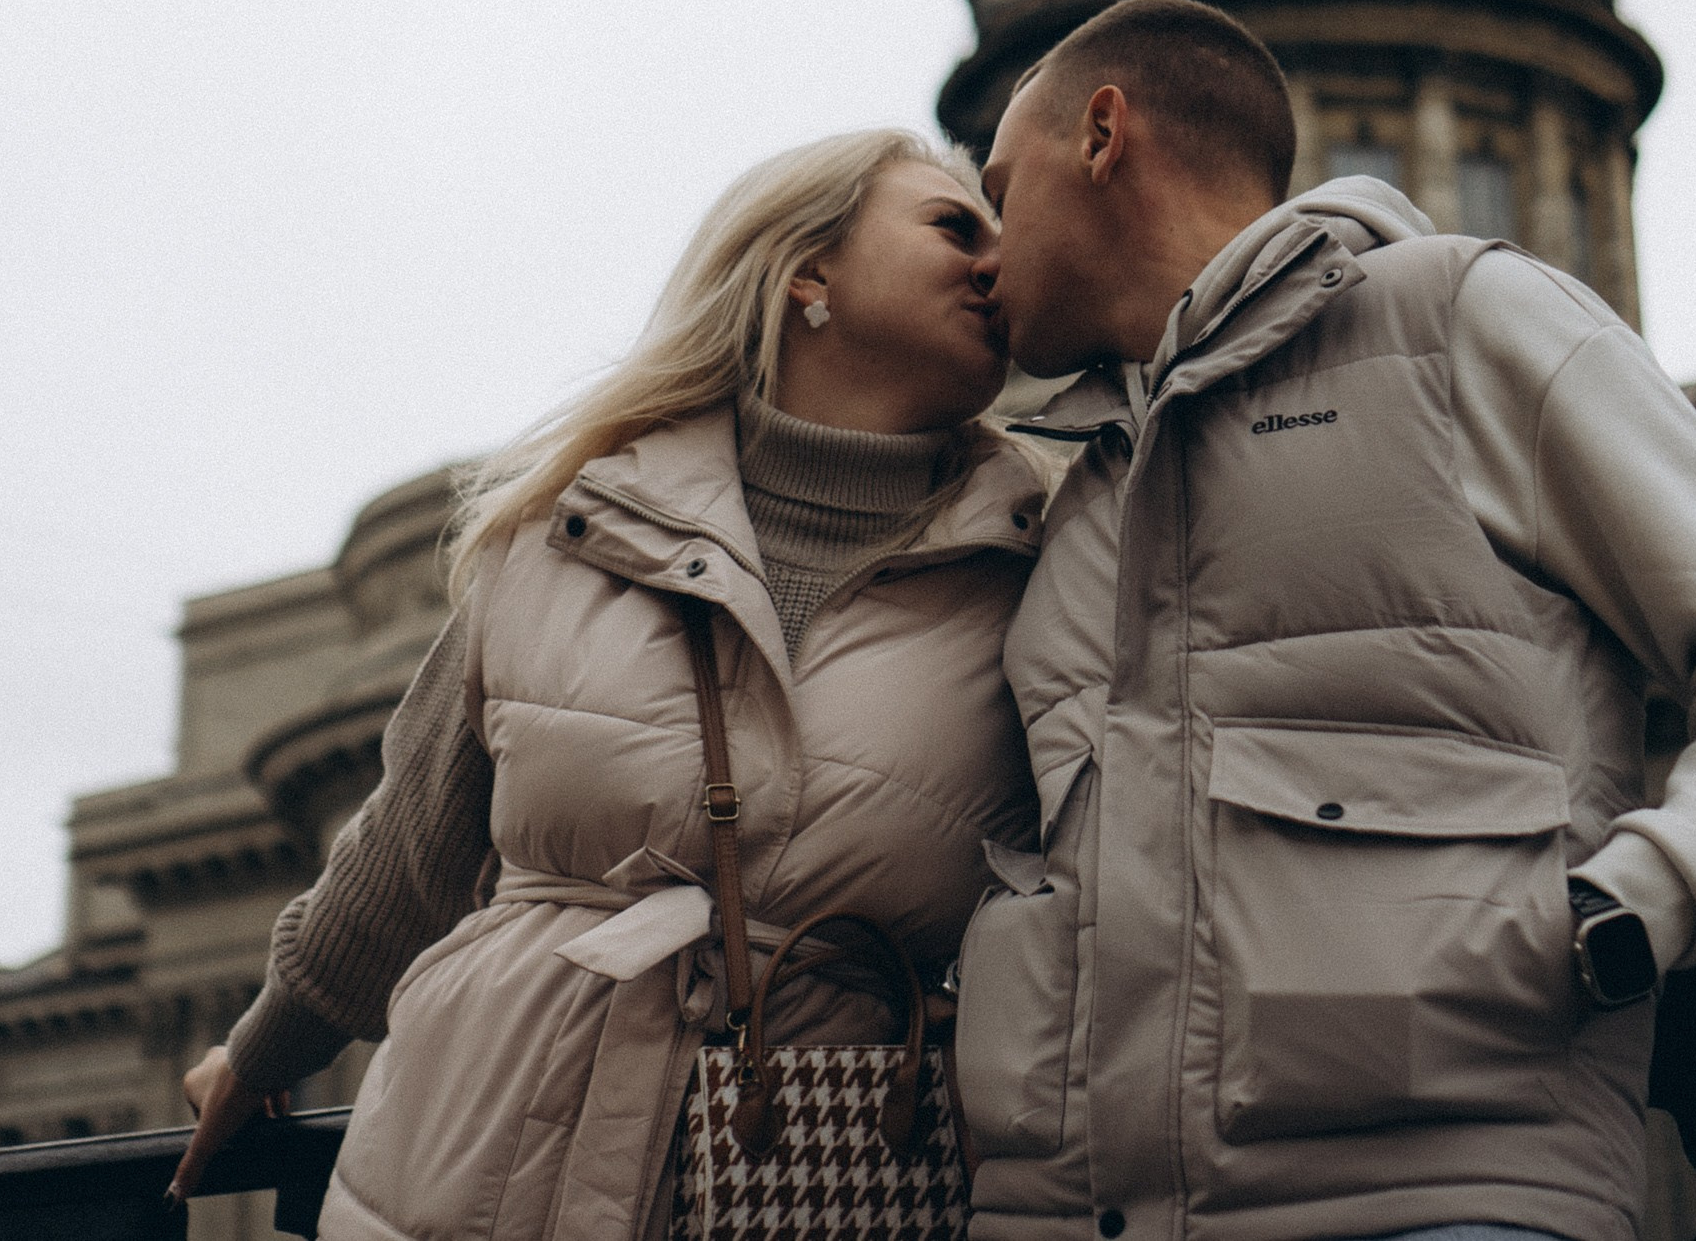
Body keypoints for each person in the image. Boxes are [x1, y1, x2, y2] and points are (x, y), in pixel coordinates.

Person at [956, 0, 1696, 1241]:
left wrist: (1623, 913)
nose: (983, 243)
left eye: (999, 186)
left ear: (1102, 135)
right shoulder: (1072, 498)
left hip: (1438, 1201)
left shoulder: (1461, 322)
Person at [169, 128, 1050, 1240]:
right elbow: (406, 852)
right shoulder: (567, 530)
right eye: (951, 225)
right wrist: (260, 1055)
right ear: (806, 274)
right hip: (473, 1160)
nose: (995, 261)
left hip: (810, 1177)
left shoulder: (1043, 565)